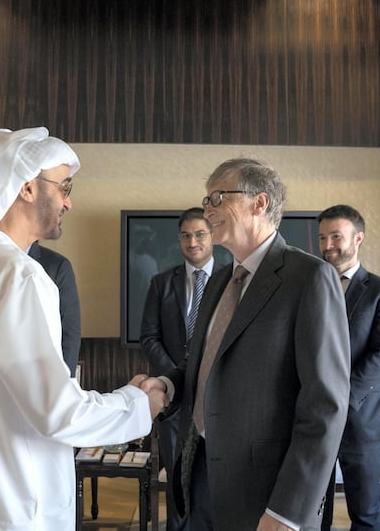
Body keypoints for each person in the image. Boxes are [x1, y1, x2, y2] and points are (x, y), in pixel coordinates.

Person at [0, 127, 167, 530]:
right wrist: (137, 405)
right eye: (64, 187)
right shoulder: (16, 275)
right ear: (26, 186)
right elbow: (56, 411)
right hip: (12, 501)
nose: (69, 202)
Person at [141, 158, 351, 531]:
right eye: (206, 200)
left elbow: (325, 406)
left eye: (218, 197)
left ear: (260, 203)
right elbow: (204, 363)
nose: (208, 209)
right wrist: (169, 383)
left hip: (266, 492)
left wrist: (289, 509)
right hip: (200, 471)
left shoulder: (309, 278)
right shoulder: (221, 280)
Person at [317, 205, 380, 531]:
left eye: (336, 236)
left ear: (358, 238)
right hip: (314, 419)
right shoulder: (310, 287)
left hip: (362, 417)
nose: (328, 245)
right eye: (323, 237)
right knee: (312, 509)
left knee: (365, 513)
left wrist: (340, 399)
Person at [140, 206, 218, 531]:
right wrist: (174, 378)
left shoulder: (231, 282)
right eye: (186, 235)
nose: (193, 241)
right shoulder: (161, 282)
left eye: (200, 233)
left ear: (212, 235)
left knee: (211, 484)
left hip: (216, 402)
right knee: (176, 484)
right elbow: (149, 336)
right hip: (173, 404)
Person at [28, 241, 81, 376]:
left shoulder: (57, 266)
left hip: (44, 379)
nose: (60, 217)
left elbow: (70, 333)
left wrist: (66, 384)